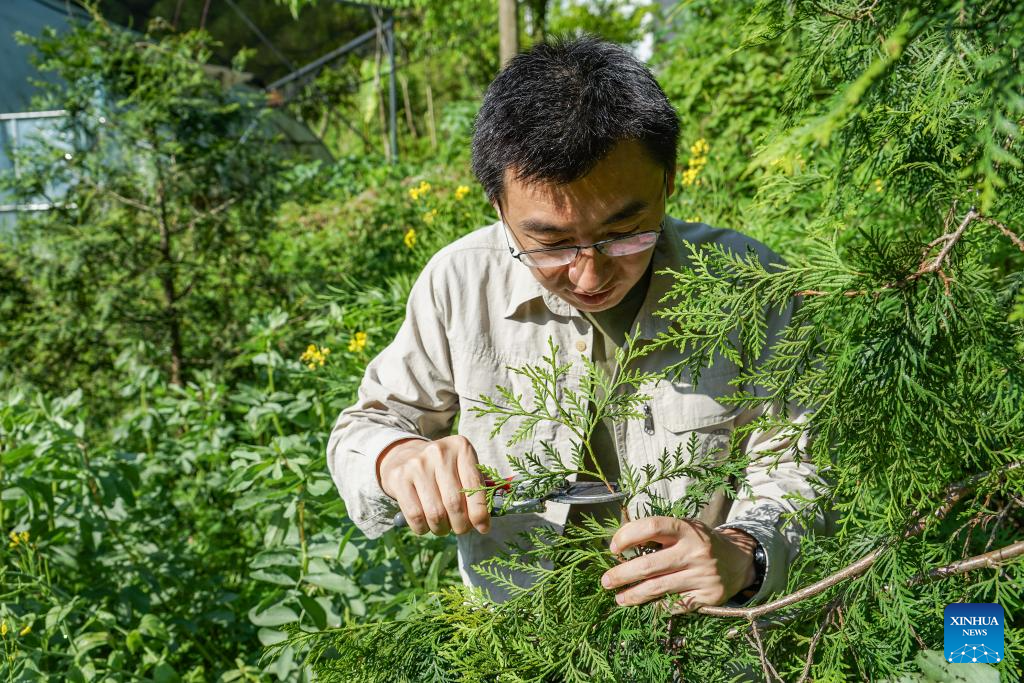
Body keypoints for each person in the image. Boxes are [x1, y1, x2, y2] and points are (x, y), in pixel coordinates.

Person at [328, 36, 826, 610]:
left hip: (702, 644)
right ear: (498, 206)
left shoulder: (750, 283)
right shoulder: (459, 284)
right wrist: (398, 460)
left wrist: (745, 552)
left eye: (625, 233)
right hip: (518, 643)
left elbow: (798, 463)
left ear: (668, 183)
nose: (589, 277)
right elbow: (365, 427)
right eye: (550, 244)